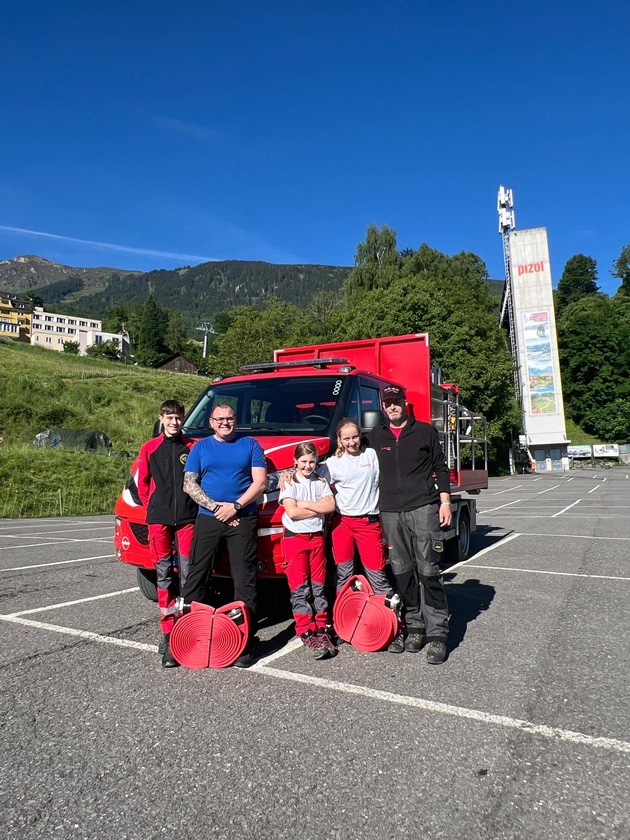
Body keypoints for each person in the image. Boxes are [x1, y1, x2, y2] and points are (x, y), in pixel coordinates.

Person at [367, 385, 452, 664]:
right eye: (387, 403)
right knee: (402, 571)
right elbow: (347, 453)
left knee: (428, 569)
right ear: (383, 407)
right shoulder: (375, 436)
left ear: (405, 403)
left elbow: (440, 467)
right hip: (390, 512)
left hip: (423, 507)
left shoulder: (425, 432)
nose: (392, 407)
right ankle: (415, 626)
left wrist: (445, 502)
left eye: (396, 402)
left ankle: (438, 633)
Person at [182, 403, 267, 668]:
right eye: (220, 419)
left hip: (242, 516)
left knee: (244, 578)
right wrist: (217, 508)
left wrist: (235, 507)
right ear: (211, 422)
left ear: (236, 420)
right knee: (197, 574)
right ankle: (186, 633)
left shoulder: (250, 445)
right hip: (209, 517)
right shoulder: (200, 448)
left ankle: (244, 640)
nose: (225, 423)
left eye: (230, 418)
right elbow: (189, 483)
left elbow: (260, 482)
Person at [136, 399, 198, 668]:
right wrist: (154, 507)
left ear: (184, 419)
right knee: (163, 573)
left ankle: (187, 627)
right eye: (169, 417)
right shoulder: (149, 448)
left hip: (186, 519)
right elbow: (143, 484)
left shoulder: (192, 447)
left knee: (187, 573)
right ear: (161, 418)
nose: (174, 422)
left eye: (178, 418)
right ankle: (168, 631)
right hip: (159, 520)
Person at [319, 418, 391, 596]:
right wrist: (289, 477)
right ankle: (345, 617)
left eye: (355, 437)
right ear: (340, 440)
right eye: (347, 439)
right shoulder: (333, 463)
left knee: (377, 575)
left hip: (369, 523)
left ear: (360, 436)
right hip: (342, 523)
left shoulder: (372, 455)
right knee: (344, 575)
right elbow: (310, 479)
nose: (352, 443)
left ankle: (387, 617)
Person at [279, 442, 337, 658]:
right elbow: (292, 513)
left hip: (316, 538)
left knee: (319, 585)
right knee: (300, 588)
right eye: (303, 461)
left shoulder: (321, 481)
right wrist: (317, 508)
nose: (308, 465)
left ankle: (322, 627)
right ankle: (305, 629)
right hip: (295, 538)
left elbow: (330, 507)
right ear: (295, 461)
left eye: (312, 461)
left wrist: (304, 503)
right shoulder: (289, 482)